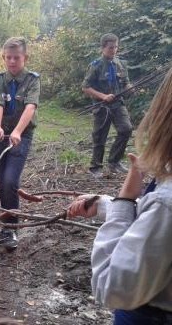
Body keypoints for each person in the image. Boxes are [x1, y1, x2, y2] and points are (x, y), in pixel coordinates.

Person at [67, 66, 172, 324]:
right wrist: (107, 206)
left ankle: (111, 162)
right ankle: (98, 162)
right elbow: (157, 228)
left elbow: (112, 288)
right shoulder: (163, 203)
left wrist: (124, 200)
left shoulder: (166, 202)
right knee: (98, 138)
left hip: (150, 315)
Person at [0, 37, 40, 251]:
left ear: (25, 58)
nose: (12, 62)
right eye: (8, 58)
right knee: (2, 183)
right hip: (1, 136)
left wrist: (18, 131)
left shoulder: (32, 80)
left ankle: (12, 229)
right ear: (3, 58)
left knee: (11, 180)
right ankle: (6, 226)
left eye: (16, 58)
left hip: (22, 135)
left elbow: (30, 107)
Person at [82, 33, 133, 178]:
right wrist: (103, 96)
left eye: (116, 47)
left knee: (126, 129)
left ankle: (114, 162)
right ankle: (95, 167)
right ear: (103, 48)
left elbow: (126, 82)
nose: (114, 50)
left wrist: (129, 87)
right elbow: (85, 87)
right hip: (101, 106)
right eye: (111, 47)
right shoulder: (95, 66)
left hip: (118, 104)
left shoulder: (121, 64)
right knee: (100, 137)